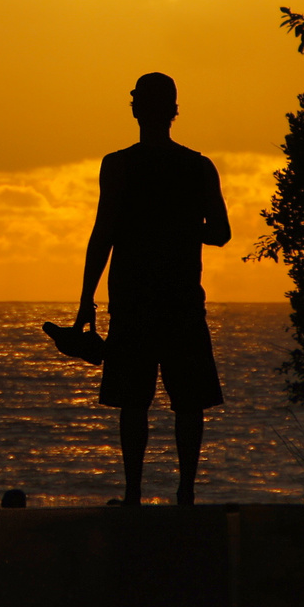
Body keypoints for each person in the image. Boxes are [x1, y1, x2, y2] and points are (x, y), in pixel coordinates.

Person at [75, 72, 230, 506]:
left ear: (138, 108)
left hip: (133, 300)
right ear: (173, 110)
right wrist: (182, 229)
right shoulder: (198, 166)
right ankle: (186, 492)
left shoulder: (118, 164)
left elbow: (102, 234)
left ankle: (133, 493)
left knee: (132, 402)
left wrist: (86, 299)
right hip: (181, 300)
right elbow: (220, 232)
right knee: (189, 402)